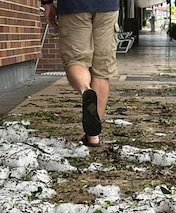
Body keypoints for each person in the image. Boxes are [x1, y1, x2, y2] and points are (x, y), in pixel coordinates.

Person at [42, 0, 119, 147]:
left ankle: (86, 90)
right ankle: (93, 135)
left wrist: (47, 3)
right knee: (101, 70)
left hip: (73, 6)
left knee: (76, 60)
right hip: (107, 7)